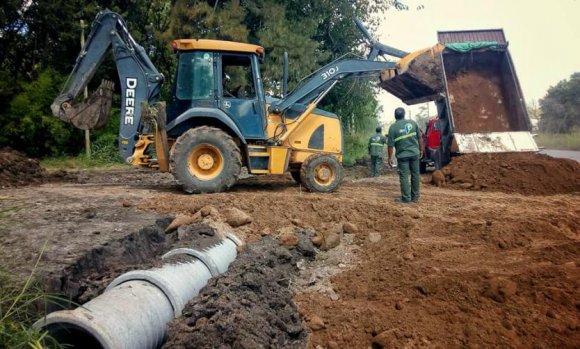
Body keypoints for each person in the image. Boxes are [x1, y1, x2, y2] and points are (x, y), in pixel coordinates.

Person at [387, 108, 424, 203]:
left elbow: (390, 145)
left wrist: (390, 158)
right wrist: (421, 149)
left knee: (404, 176)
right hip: (414, 153)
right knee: (415, 175)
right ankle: (415, 198)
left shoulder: (393, 127)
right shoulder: (413, 123)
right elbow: (420, 138)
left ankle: (406, 198)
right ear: (404, 114)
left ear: (395, 116)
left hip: (402, 156)